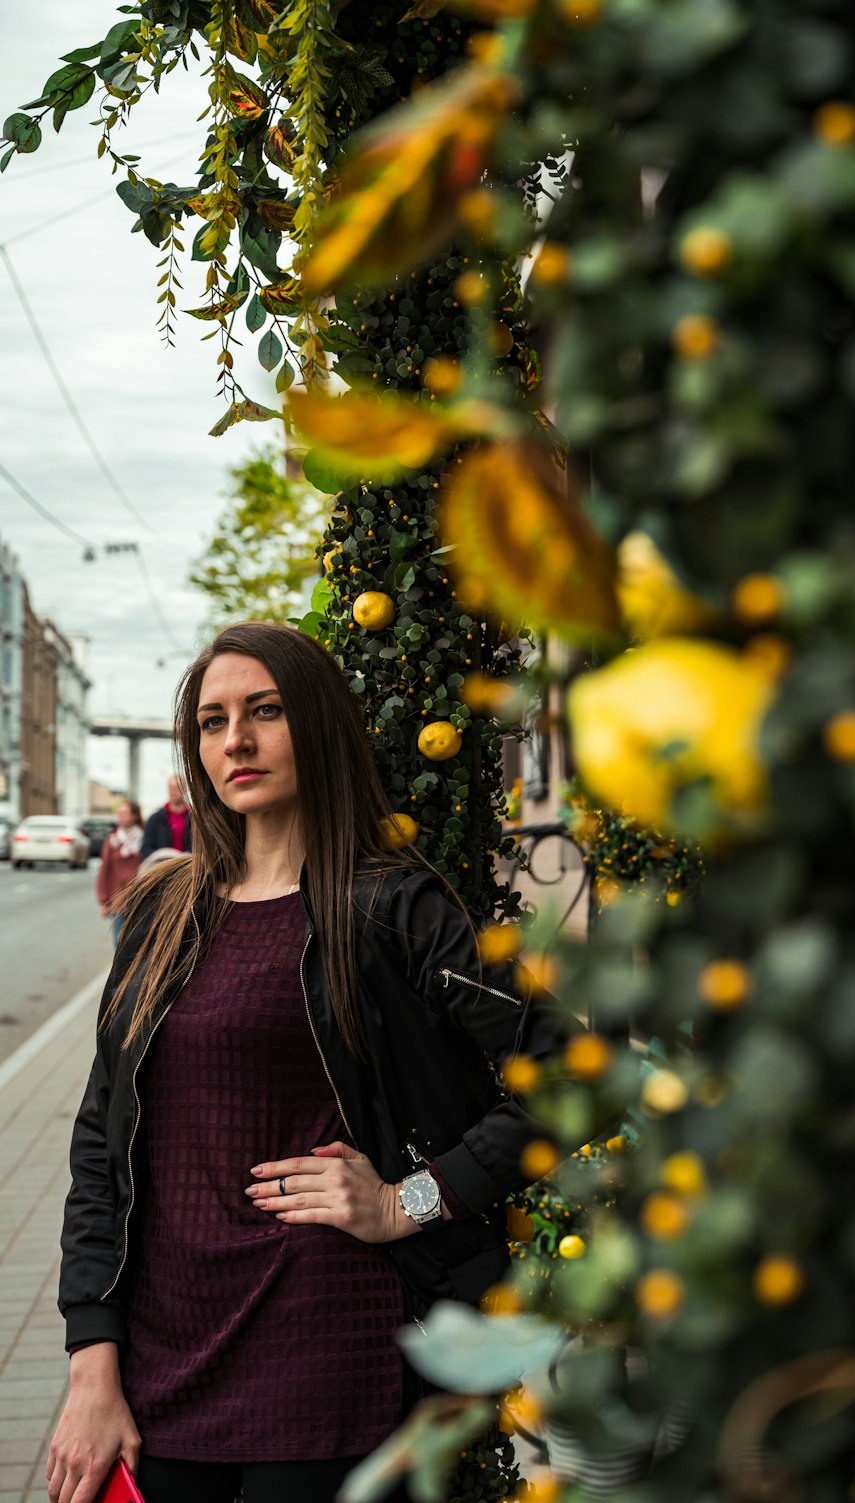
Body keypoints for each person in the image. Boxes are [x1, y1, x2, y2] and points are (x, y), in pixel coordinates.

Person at [48, 621, 582, 1503]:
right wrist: (91, 1365)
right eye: (213, 722)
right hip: (164, 1365)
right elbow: (102, 1142)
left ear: (320, 725)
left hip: (332, 1367)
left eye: (265, 711)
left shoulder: (392, 907)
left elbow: (572, 1071)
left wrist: (409, 1201)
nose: (237, 741)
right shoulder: (161, 914)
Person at [96, 802, 145, 947]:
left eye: (124, 814)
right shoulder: (112, 840)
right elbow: (105, 869)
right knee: (119, 945)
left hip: (140, 900)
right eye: (119, 814)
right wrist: (104, 901)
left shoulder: (144, 839)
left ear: (134, 816)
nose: (121, 817)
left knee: (138, 946)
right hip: (118, 902)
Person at [139, 776, 191, 860]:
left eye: (177, 787)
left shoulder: (195, 820)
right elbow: (146, 847)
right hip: (162, 867)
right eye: (170, 787)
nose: (172, 791)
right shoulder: (155, 818)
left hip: (188, 867)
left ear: (185, 790)